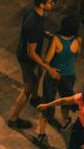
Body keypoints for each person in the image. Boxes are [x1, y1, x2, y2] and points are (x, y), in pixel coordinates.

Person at [7, 0, 55, 130]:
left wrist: (44, 34)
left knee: (36, 77)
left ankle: (34, 99)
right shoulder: (34, 23)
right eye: (50, 2)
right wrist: (48, 68)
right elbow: (31, 53)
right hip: (27, 59)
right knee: (27, 89)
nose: (53, 4)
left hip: (27, 54)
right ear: (42, 3)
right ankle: (13, 119)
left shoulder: (33, 10)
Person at [37, 14, 80, 142]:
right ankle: (63, 123)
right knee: (65, 100)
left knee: (47, 101)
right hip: (69, 75)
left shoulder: (56, 40)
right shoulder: (78, 40)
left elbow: (47, 59)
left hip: (53, 75)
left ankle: (42, 133)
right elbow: (76, 55)